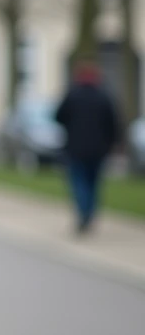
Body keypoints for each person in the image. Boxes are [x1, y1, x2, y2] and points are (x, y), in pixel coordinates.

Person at [55, 61, 120, 234]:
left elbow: (58, 116)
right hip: (99, 149)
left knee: (79, 182)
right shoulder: (104, 96)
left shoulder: (73, 95)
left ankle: (83, 214)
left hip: (76, 147)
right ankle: (90, 213)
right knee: (93, 182)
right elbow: (113, 123)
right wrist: (113, 143)